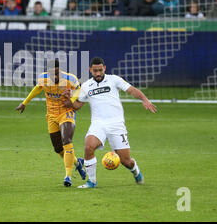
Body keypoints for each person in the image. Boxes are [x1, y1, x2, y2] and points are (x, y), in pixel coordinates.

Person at [62, 57, 157, 189]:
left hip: (116, 124)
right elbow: (78, 105)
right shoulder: (86, 86)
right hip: (98, 124)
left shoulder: (114, 79)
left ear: (104, 68)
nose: (98, 73)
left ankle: (135, 171)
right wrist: (69, 101)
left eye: (100, 70)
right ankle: (92, 181)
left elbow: (131, 90)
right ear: (90, 70)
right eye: (95, 71)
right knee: (88, 146)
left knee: (125, 161)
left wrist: (144, 99)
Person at [15, 59, 86, 187]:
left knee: (67, 140)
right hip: (51, 115)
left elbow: (79, 89)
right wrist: (24, 103)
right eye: (53, 74)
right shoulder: (43, 78)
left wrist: (72, 99)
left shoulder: (70, 78)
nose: (55, 76)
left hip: (66, 113)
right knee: (58, 149)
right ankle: (77, 163)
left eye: (57, 73)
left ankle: (68, 176)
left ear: (60, 70)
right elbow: (37, 89)